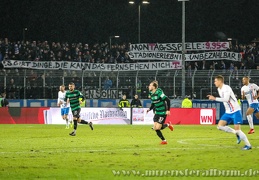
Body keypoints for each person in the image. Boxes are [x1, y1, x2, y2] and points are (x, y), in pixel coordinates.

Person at [207, 75, 251, 150]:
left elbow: (226, 99)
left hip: (235, 111)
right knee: (220, 126)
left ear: (220, 81)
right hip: (228, 112)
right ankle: (235, 133)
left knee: (238, 130)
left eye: (215, 81)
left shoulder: (226, 88)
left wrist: (214, 98)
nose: (214, 83)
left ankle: (248, 145)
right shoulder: (219, 89)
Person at [146, 80, 174, 145]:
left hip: (162, 112)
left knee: (158, 127)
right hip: (157, 112)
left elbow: (168, 100)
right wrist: (149, 109)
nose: (149, 86)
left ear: (154, 87)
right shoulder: (150, 93)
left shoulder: (159, 92)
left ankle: (168, 125)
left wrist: (168, 110)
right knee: (156, 128)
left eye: (150, 85)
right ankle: (164, 140)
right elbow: (153, 102)